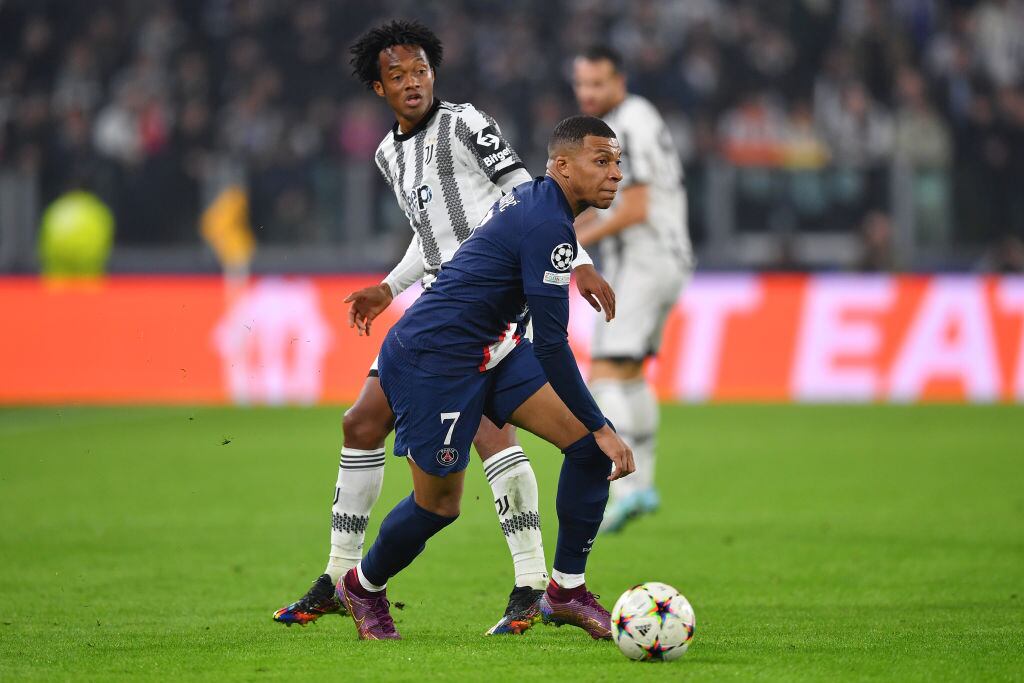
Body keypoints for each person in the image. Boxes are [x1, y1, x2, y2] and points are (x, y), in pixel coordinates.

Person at [272, 21, 615, 636]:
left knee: (493, 440)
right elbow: (429, 236)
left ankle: (537, 584)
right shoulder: (387, 153)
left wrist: (579, 263)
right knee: (365, 424)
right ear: (379, 87)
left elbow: (528, 193)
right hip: (443, 317)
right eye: (398, 75)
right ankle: (344, 577)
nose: (413, 82)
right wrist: (389, 286)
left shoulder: (465, 123)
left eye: (421, 70)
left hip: (489, 311)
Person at [336, 115, 634, 641]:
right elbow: (551, 344)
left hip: (488, 349)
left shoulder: (544, 209)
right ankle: (362, 586)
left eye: (617, 162)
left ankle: (565, 591)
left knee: (586, 449)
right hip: (434, 359)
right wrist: (605, 423)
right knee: (439, 505)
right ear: (562, 167)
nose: (615, 174)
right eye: (602, 161)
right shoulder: (547, 226)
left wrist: (597, 430)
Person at [572, 46, 694, 533]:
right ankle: (643, 487)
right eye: (582, 84)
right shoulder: (636, 117)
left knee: (602, 372)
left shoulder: (629, 122)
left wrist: (572, 239)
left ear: (619, 80)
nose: (588, 93)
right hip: (666, 258)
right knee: (629, 371)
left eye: (598, 84)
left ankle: (623, 491)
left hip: (645, 260)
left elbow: (635, 206)